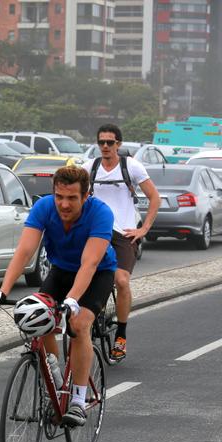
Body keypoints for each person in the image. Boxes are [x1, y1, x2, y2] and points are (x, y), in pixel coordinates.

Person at [0, 166, 117, 426]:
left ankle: (78, 400)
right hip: (61, 271)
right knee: (38, 318)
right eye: (59, 197)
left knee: (78, 324)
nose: (64, 204)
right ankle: (55, 383)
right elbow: (24, 252)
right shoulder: (44, 207)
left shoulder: (100, 213)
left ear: (86, 195)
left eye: (72, 198)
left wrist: (72, 301)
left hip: (97, 274)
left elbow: (89, 264)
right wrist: (3, 290)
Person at [82, 124, 160, 360]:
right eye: (101, 142)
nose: (105, 147)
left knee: (121, 280)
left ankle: (121, 336)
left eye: (110, 142)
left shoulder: (131, 166)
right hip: (96, 232)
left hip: (123, 233)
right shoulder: (89, 168)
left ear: (119, 144)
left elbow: (154, 197)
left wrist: (143, 229)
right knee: (83, 275)